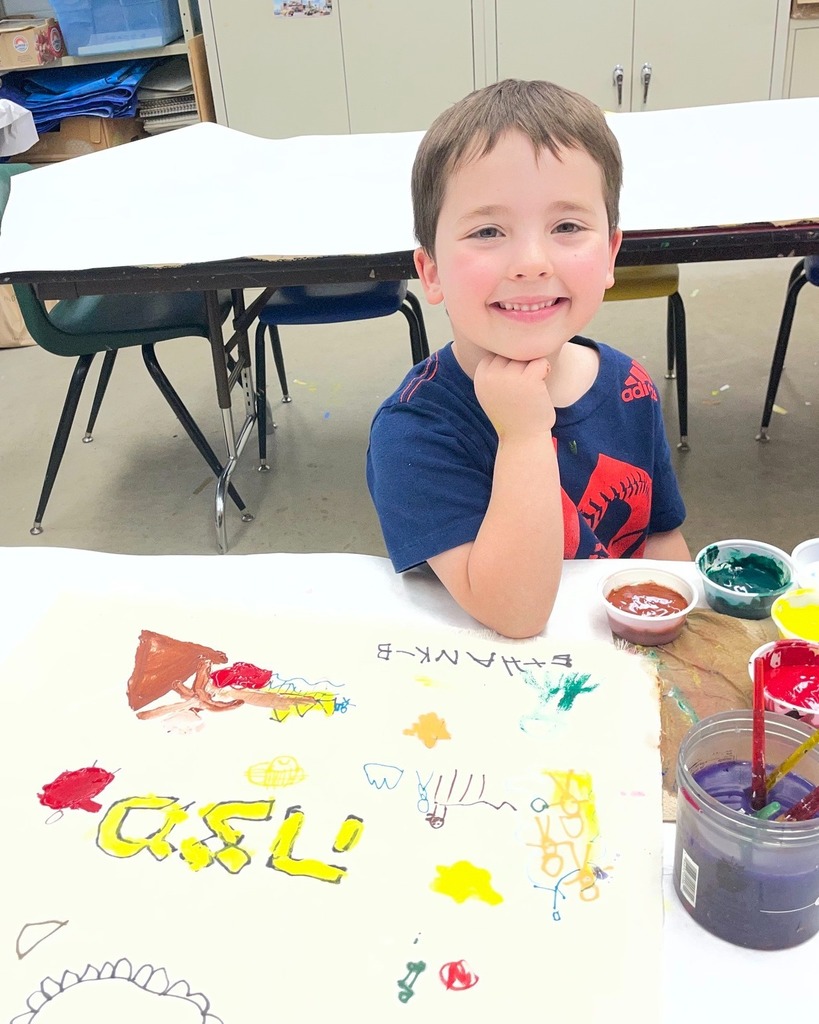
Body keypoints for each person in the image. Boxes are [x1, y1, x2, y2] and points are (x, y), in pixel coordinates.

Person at [366, 79, 689, 639]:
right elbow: (515, 612)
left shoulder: (629, 385)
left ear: (611, 253)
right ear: (432, 271)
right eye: (488, 231)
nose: (533, 262)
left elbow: (660, 542)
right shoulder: (415, 431)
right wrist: (522, 434)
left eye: (567, 226)